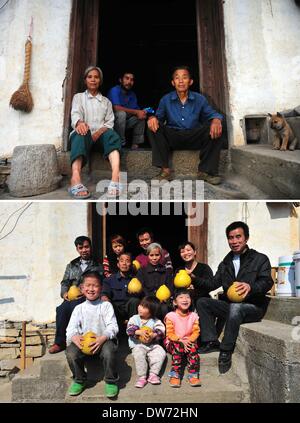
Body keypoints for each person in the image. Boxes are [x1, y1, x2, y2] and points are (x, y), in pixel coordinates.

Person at [197, 221, 273, 374]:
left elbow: (267, 281)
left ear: (246, 238)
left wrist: (251, 287)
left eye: (238, 237)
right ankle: (211, 341)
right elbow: (212, 283)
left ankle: (225, 350)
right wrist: (193, 278)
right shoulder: (225, 263)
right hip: (231, 307)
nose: (234, 241)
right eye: (231, 238)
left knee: (236, 307)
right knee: (203, 302)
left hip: (253, 307)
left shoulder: (260, 259)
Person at [147, 65, 224, 185]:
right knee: (152, 126)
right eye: (177, 78)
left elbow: (212, 114)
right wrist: (152, 118)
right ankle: (165, 170)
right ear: (173, 82)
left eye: (185, 77)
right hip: (174, 137)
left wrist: (216, 120)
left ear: (191, 81)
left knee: (216, 126)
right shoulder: (166, 100)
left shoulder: (199, 99)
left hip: (194, 136)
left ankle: (205, 171)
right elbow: (159, 118)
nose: (181, 81)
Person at [69, 66, 122, 198]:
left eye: (96, 77)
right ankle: (75, 178)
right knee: (81, 132)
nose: (93, 80)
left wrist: (97, 133)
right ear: (85, 80)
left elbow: (109, 123)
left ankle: (116, 176)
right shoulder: (78, 97)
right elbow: (75, 114)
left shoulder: (106, 102)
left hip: (100, 138)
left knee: (112, 135)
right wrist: (80, 123)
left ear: (100, 80)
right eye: (90, 77)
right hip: (83, 137)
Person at [66, 270, 119, 398]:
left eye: (95, 285)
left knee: (109, 351)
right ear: (82, 288)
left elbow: (113, 326)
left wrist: (102, 338)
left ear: (100, 288)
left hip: (103, 342)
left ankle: (111, 380)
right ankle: (79, 379)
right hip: (85, 344)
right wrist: (74, 337)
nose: (91, 289)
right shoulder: (79, 308)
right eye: (88, 285)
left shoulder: (106, 306)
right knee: (71, 352)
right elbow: (71, 328)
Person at [49, 236, 103, 354]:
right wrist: (64, 293)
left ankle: (80, 340)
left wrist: (87, 291)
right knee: (61, 309)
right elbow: (65, 282)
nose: (84, 250)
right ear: (77, 249)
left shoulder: (98, 265)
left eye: (86, 247)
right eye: (81, 248)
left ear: (90, 248)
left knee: (74, 308)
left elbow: (101, 283)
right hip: (72, 298)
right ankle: (60, 342)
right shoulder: (71, 265)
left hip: (88, 297)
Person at [126, 296, 166, 388]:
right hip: (138, 345)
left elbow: (161, 330)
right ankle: (142, 376)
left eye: (144, 307)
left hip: (152, 345)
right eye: (140, 305)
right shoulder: (134, 318)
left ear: (151, 311)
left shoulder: (155, 321)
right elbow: (129, 329)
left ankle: (153, 374)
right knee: (139, 353)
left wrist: (153, 335)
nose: (140, 308)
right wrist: (138, 331)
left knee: (161, 352)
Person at [164, 289, 201, 387]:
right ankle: (175, 374)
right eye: (181, 297)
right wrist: (180, 340)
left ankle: (193, 375)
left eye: (187, 297)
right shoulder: (171, 316)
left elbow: (196, 332)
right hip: (173, 342)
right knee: (177, 345)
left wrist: (188, 341)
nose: (185, 299)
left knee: (193, 349)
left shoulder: (194, 316)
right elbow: (170, 333)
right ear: (175, 302)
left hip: (189, 342)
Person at [107, 72, 147, 149]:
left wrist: (141, 112)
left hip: (124, 123)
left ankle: (136, 143)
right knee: (121, 114)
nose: (129, 82)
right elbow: (116, 108)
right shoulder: (114, 90)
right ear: (120, 80)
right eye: (127, 78)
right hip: (111, 124)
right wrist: (136, 112)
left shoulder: (132, 94)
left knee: (141, 117)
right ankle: (120, 143)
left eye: (131, 80)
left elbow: (136, 110)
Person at [101, 252, 141, 325]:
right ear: (118, 264)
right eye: (121, 261)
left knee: (135, 301)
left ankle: (133, 327)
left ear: (131, 265)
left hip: (130, 310)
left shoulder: (136, 280)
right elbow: (104, 294)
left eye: (127, 261)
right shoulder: (109, 280)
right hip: (116, 310)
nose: (124, 263)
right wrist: (106, 300)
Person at [136, 243, 174, 320]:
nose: (154, 258)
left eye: (157, 255)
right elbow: (141, 288)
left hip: (162, 302)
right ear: (147, 256)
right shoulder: (142, 271)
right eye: (151, 255)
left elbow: (170, 287)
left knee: (164, 308)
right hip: (147, 301)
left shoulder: (166, 271)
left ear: (161, 256)